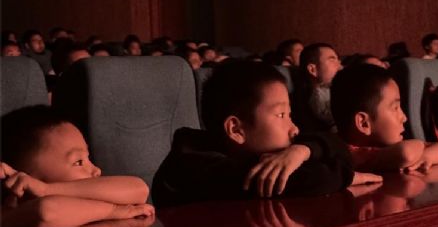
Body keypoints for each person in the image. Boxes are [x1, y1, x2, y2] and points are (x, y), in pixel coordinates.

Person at [152, 60, 379, 206]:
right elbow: (312, 179)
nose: (294, 128)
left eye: (290, 115)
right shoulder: (196, 166)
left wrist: (302, 150)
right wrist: (346, 176)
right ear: (236, 129)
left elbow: (336, 144)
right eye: (281, 115)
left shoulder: (253, 148)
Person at [1, 105, 152, 227]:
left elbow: (140, 189)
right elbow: (47, 211)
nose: (97, 170)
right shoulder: (18, 213)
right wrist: (114, 211)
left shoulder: (78, 193)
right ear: (27, 182)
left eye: (88, 158)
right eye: (79, 162)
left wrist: (48, 189)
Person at [330, 64, 438, 173]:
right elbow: (406, 153)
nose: (404, 118)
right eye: (395, 108)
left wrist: (426, 157)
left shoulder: (381, 144)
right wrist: (421, 147)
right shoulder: (347, 154)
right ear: (364, 123)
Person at [291, 43, 342, 133]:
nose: (339, 65)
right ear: (313, 70)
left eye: (338, 60)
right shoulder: (314, 98)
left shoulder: (334, 89)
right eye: (332, 59)